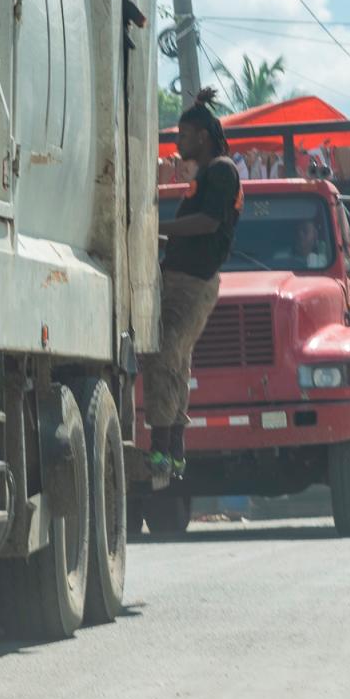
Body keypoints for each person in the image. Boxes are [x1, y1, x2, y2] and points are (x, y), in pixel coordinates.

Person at [147, 88, 242, 478]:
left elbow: (208, 224)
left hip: (193, 283)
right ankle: (176, 452)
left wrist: (159, 226)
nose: (177, 143)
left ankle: (162, 450)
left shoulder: (220, 171)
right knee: (177, 362)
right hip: (183, 279)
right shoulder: (210, 173)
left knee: (165, 356)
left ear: (201, 137)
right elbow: (194, 234)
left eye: (182, 136)